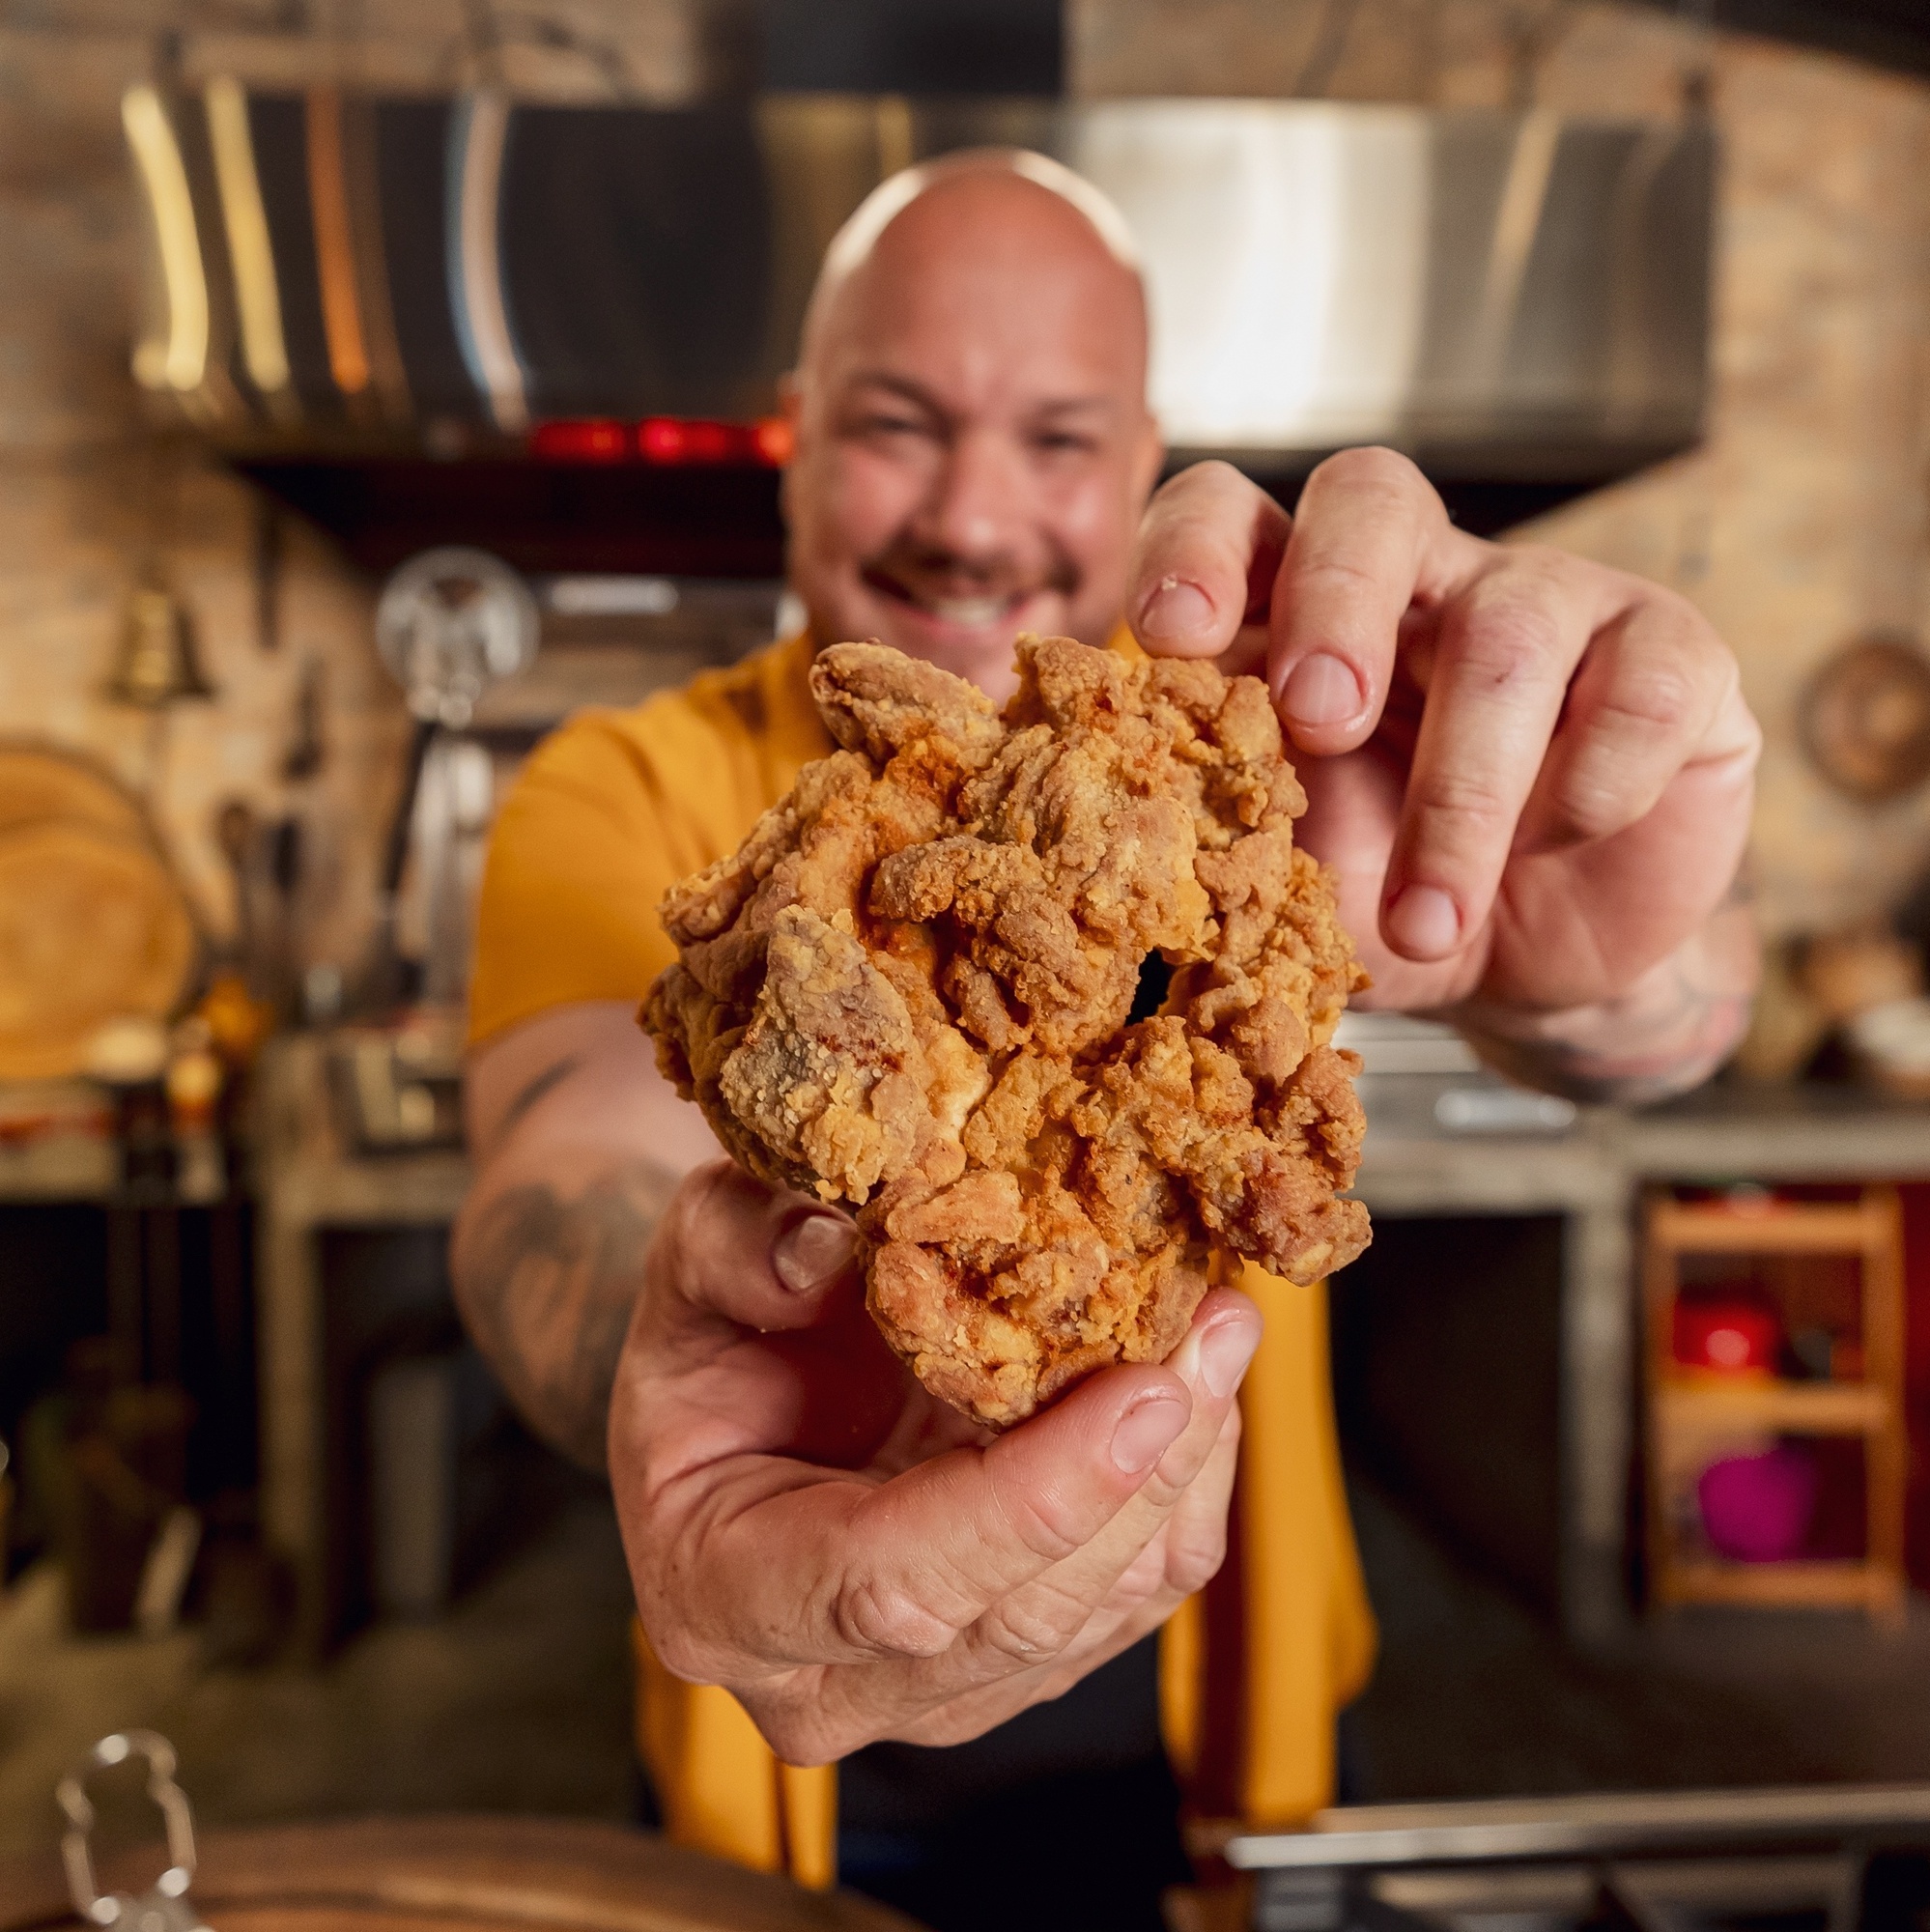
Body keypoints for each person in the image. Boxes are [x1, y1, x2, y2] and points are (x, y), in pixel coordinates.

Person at [454, 151, 1760, 1930]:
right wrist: (684, 1348)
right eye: (901, 422)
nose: (974, 519)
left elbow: (1684, 1035)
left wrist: (1590, 965)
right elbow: (563, 1161)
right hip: (772, 1754)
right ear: (797, 431)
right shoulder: (625, 790)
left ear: (1143, 456)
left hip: (1250, 1744)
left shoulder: (1273, 800)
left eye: (1058, 440)